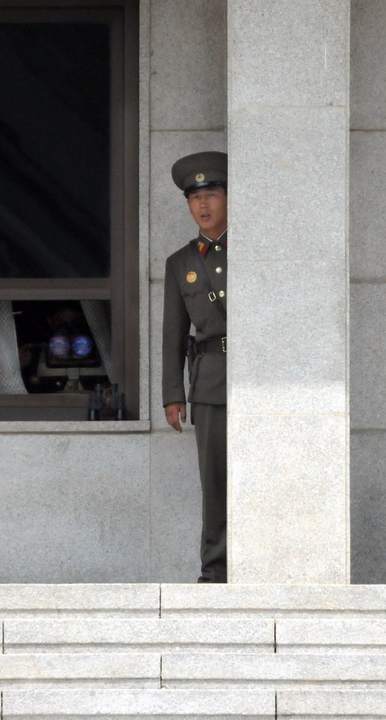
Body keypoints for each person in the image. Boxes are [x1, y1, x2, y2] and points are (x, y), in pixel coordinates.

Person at [161, 150, 228, 583]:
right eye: (194, 198)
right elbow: (173, 332)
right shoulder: (181, 262)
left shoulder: (255, 250)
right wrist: (172, 393)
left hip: (257, 379)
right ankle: (216, 570)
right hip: (209, 382)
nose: (202, 206)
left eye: (212, 195)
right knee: (215, 482)